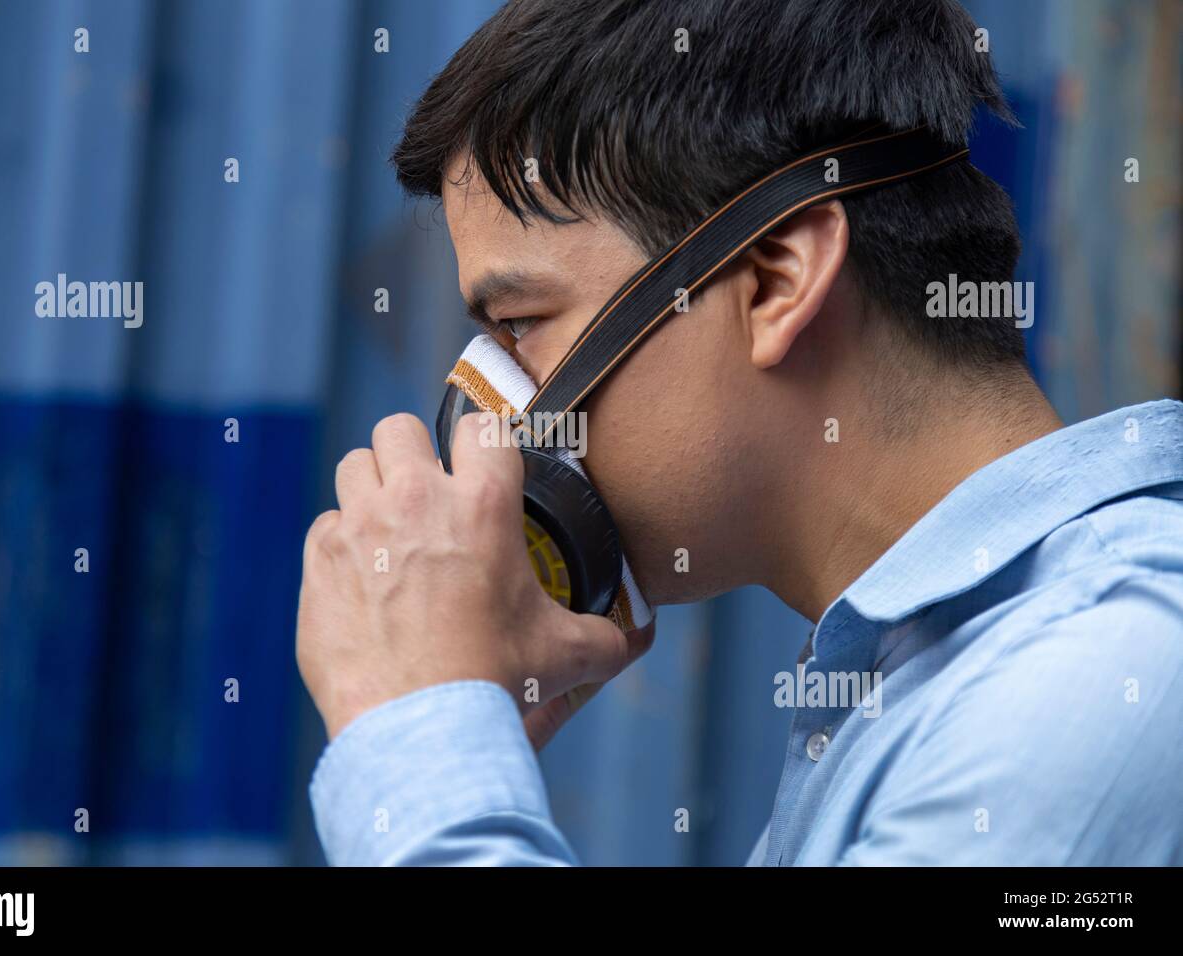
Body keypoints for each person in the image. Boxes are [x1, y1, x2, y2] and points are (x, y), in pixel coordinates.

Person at [295, 0, 1183, 865]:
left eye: (522, 323)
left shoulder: (1108, 669)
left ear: (776, 282)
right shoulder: (910, 684)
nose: (493, 414)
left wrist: (421, 734)